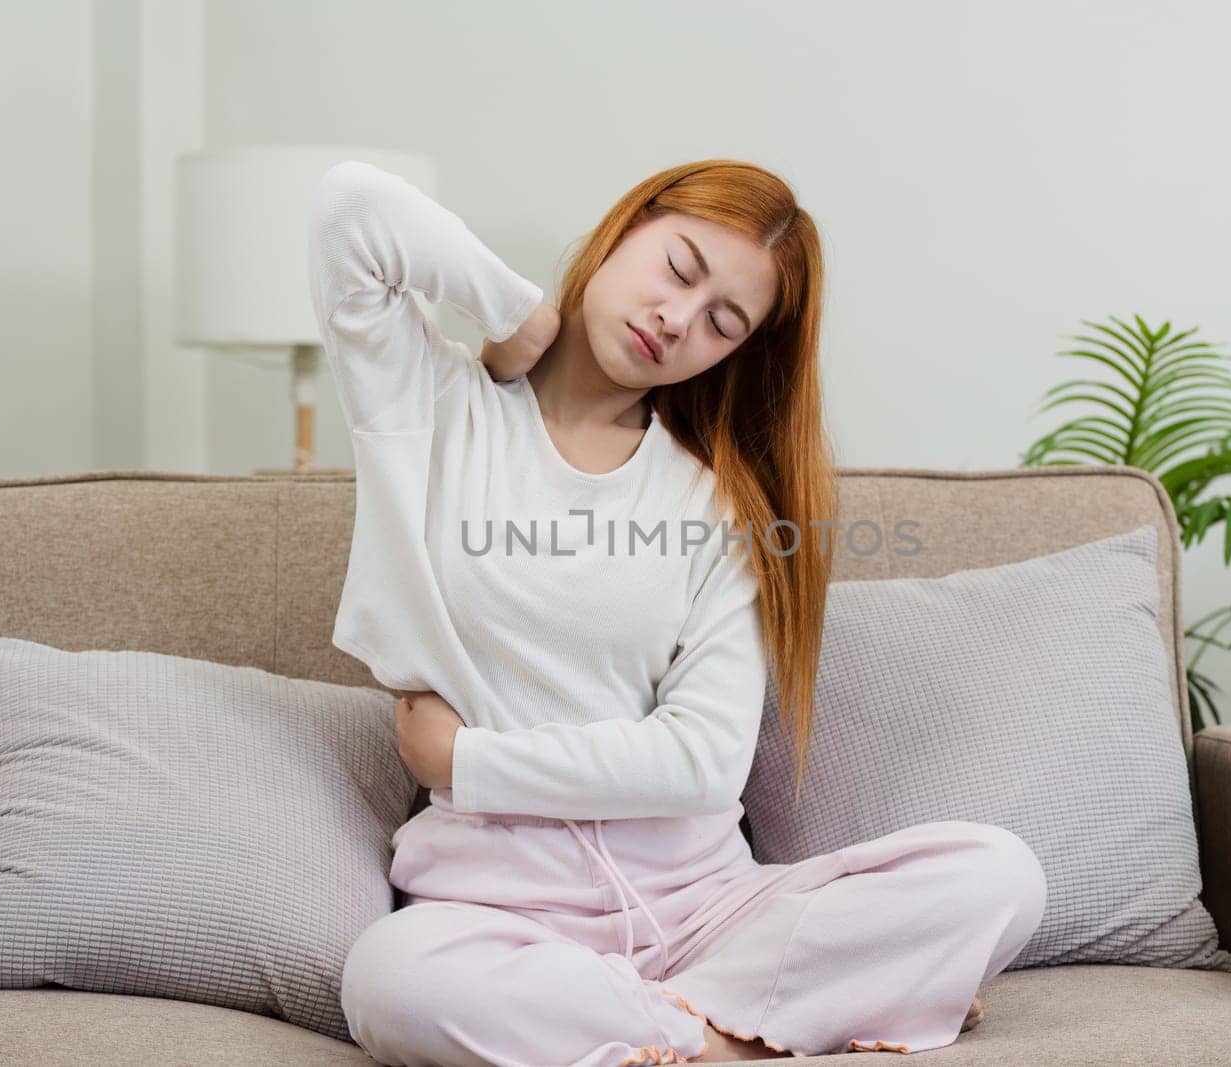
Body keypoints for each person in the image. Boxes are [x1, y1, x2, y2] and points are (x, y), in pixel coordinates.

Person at [306, 159, 1045, 1067]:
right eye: (679, 268)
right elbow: (352, 209)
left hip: (711, 914)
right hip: (500, 916)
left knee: (998, 873)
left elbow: (701, 763)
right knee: (391, 977)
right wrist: (516, 317)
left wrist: (472, 761)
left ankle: (667, 1038)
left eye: (721, 323)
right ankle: (737, 1031)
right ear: (626, 228)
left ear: (735, 354)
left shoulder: (718, 505)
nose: (676, 320)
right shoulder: (427, 406)